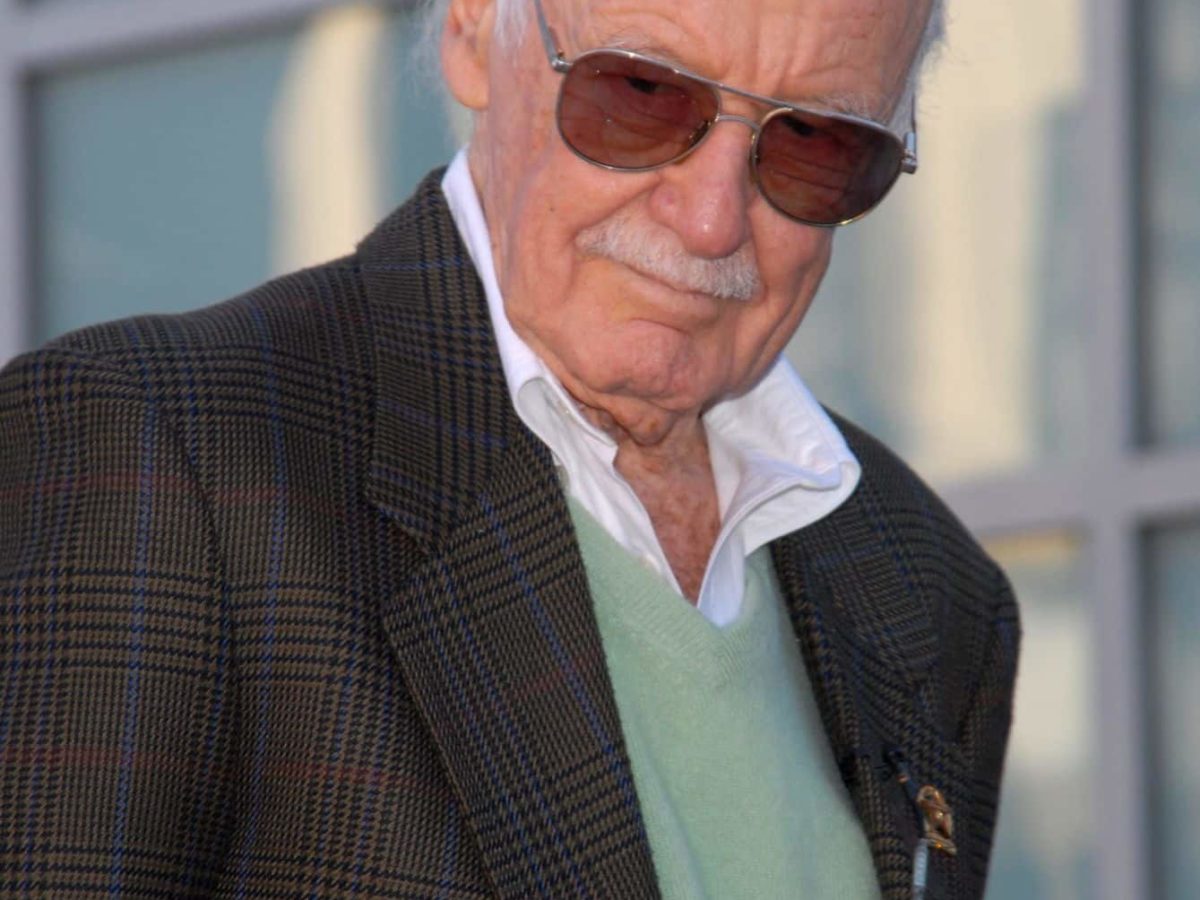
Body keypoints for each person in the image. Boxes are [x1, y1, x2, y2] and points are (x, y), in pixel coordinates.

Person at [0, 0, 1019, 896]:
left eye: (816, 144)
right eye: (641, 94)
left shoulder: (930, 585)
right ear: (474, 30)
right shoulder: (163, 451)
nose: (712, 219)